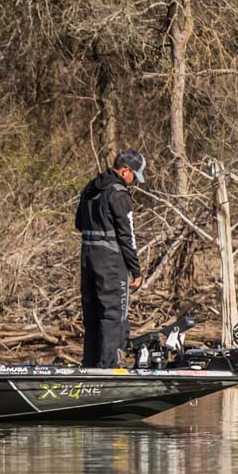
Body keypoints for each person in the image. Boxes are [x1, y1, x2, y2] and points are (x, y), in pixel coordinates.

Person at [75, 149, 145, 368]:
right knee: (113, 315)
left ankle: (90, 364)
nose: (134, 182)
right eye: (134, 176)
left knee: (92, 314)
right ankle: (109, 367)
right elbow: (127, 235)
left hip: (87, 257)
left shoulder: (90, 188)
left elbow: (79, 223)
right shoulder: (119, 193)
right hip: (111, 262)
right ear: (125, 171)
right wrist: (136, 269)